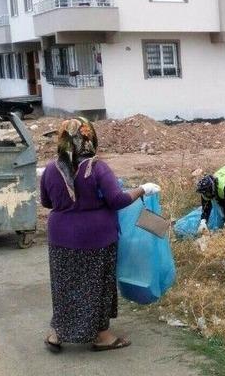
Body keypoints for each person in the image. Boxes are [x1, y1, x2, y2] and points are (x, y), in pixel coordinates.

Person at [40, 117, 161, 353]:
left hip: (60, 239)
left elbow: (46, 202)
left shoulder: (52, 169)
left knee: (64, 285)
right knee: (98, 287)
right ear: (90, 137)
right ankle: (102, 336)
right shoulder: (96, 167)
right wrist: (142, 189)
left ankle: (57, 334)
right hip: (96, 239)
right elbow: (117, 200)